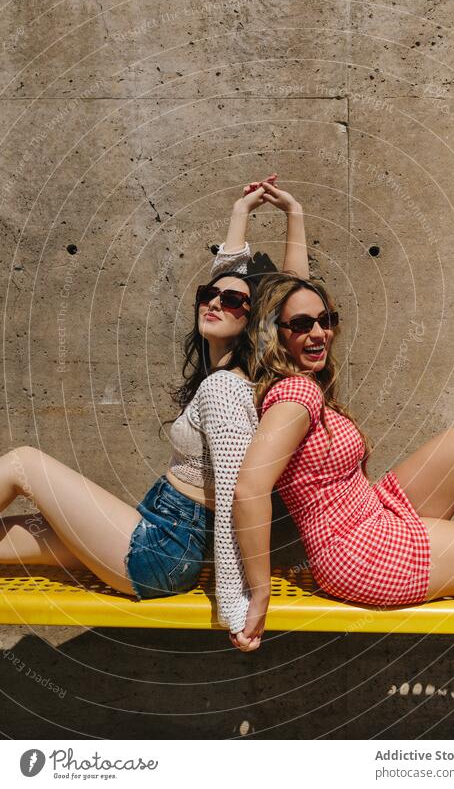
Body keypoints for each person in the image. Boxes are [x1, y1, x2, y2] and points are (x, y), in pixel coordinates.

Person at [0, 177, 309, 636]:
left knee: (24, 463)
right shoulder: (221, 374)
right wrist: (243, 213)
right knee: (16, 538)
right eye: (208, 296)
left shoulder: (224, 389)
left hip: (159, 550)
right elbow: (237, 280)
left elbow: (231, 504)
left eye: (232, 302)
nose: (215, 304)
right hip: (159, 533)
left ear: (255, 323)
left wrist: (237, 607)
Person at [229, 272, 454, 650]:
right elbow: (249, 489)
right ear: (276, 334)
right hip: (363, 552)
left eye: (326, 321)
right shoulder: (297, 396)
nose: (319, 333)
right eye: (303, 325)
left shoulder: (304, 384)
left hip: (375, 513)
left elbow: (296, 288)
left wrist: (294, 213)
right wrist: (259, 596)